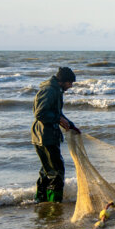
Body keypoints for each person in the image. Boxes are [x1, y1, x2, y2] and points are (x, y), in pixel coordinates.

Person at [31, 67, 79, 203]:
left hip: (44, 136)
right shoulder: (50, 90)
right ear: (63, 81)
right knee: (56, 172)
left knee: (47, 171)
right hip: (45, 137)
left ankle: (40, 201)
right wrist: (57, 119)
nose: (71, 86)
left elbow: (56, 113)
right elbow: (40, 113)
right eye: (70, 83)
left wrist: (71, 125)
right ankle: (54, 204)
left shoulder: (55, 90)